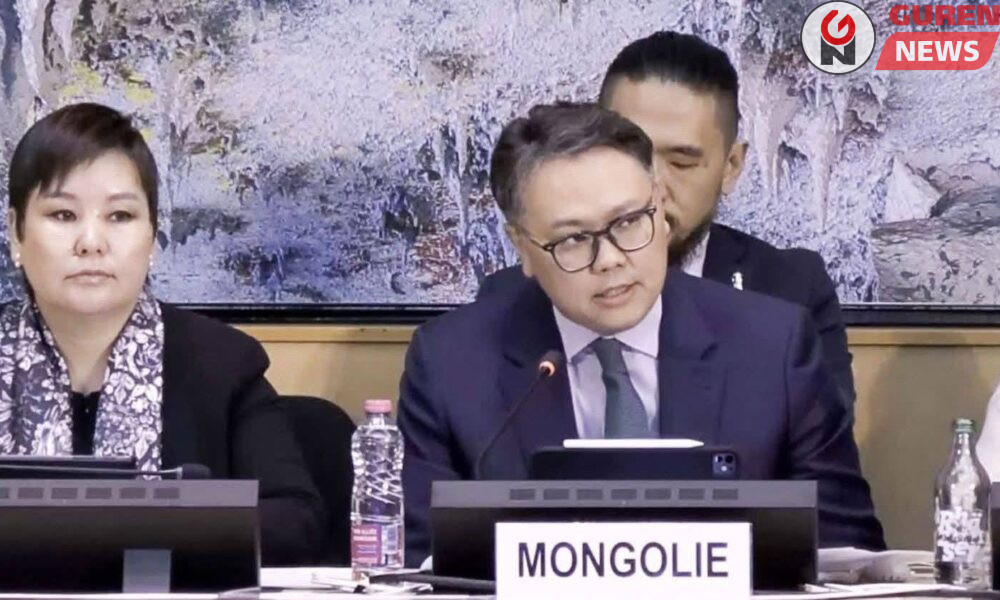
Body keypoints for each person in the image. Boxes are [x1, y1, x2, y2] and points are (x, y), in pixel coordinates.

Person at [398, 102, 884, 566]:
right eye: (573, 239)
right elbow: (420, 562)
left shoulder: (772, 346)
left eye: (630, 221)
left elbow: (845, 551)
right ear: (522, 247)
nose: (610, 259)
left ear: (660, 209)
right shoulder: (450, 365)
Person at [1, 102, 324, 565]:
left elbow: (296, 521)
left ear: (152, 236)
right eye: (63, 215)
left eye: (120, 216)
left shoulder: (221, 364)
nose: (91, 242)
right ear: (16, 234)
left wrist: (144, 528)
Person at [480, 31, 856, 412]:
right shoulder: (509, 302)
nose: (652, 188)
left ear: (731, 166)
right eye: (629, 155)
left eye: (681, 163)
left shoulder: (788, 293)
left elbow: (819, 441)